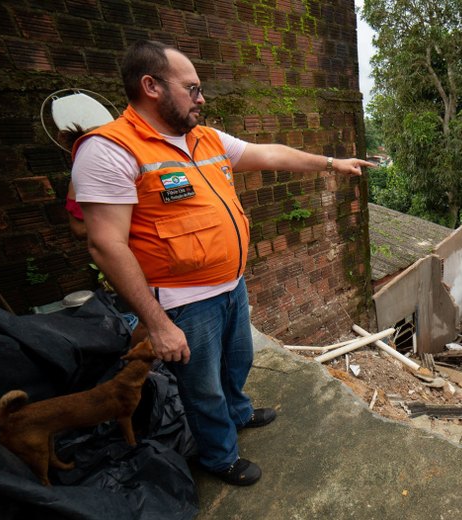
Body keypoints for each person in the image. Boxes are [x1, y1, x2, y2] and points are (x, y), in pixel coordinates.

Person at [71, 40, 373, 486]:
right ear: (151, 86)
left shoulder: (204, 138)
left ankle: (239, 412)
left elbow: (269, 153)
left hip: (231, 285)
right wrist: (157, 324)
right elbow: (105, 244)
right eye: (192, 88)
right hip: (181, 301)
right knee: (201, 386)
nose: (201, 98)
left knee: (239, 362)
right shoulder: (110, 149)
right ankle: (219, 456)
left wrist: (331, 163)